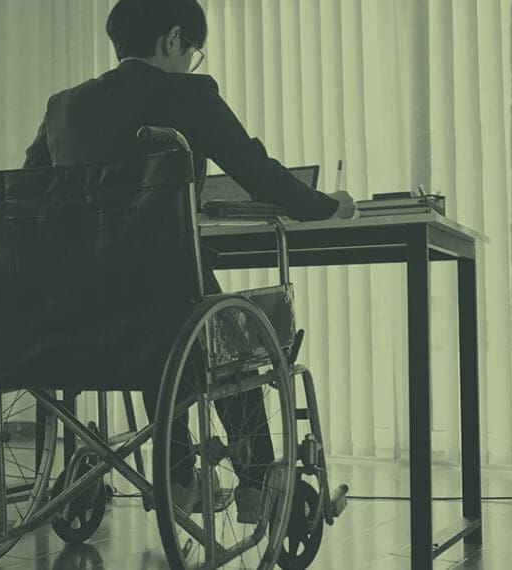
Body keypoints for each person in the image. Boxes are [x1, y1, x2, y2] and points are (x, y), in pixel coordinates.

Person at [22, 0, 355, 521]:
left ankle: (178, 477)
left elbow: (28, 195)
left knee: (170, 309)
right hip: (165, 303)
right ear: (173, 40)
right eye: (193, 51)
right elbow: (259, 174)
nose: (192, 61)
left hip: (75, 314)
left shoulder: (64, 106)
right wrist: (328, 205)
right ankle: (255, 486)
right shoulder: (188, 94)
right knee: (233, 328)